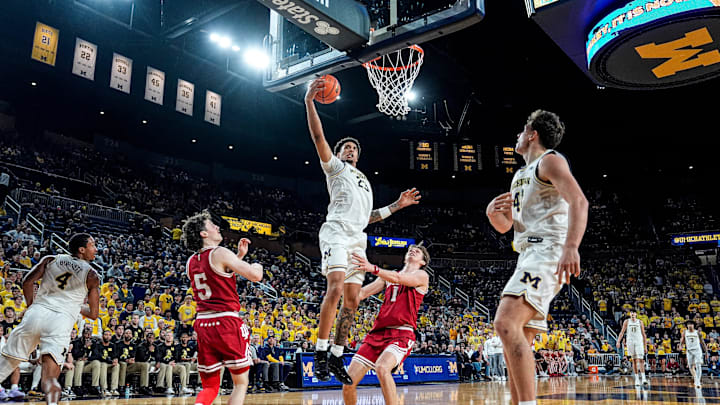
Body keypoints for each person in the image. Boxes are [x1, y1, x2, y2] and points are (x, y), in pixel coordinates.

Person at [304, 78, 422, 384]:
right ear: (340, 153)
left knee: (353, 301)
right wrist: (309, 103)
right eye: (346, 147)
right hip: (336, 233)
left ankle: (336, 355)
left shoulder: (365, 182)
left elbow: (366, 218)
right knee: (335, 286)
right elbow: (318, 136)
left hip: (357, 238)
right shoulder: (335, 168)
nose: (351, 150)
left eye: (354, 148)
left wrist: (396, 205)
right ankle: (319, 351)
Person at [486, 110, 588, 405]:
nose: (518, 135)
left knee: (505, 323)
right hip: (527, 252)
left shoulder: (550, 160)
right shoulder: (520, 175)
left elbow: (579, 201)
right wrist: (493, 214)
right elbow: (507, 227)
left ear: (532, 133)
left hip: (548, 251)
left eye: (522, 130)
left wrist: (571, 246)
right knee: (514, 340)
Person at [0, 233, 100, 405]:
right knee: (50, 378)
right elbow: (93, 314)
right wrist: (75, 306)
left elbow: (27, 282)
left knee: (6, 364)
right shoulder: (92, 275)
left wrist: (32, 306)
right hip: (60, 321)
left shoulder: (50, 259)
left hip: (37, 313)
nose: (96, 249)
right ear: (81, 250)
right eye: (92, 245)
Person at [182, 210, 264, 405]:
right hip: (226, 321)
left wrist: (238, 256)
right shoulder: (220, 253)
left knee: (210, 387)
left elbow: (217, 275)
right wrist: (257, 265)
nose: (217, 227)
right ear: (203, 233)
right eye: (212, 225)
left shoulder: (190, 262)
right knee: (241, 383)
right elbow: (255, 276)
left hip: (203, 323)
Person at [342, 244, 430, 405]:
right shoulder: (388, 277)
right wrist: (343, 285)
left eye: (418, 251)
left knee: (382, 368)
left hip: (401, 333)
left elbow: (398, 279)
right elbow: (361, 294)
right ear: (404, 258)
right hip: (377, 334)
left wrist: (372, 268)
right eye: (410, 249)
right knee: (348, 383)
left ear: (423, 262)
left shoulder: (422, 275)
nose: (413, 250)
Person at [616, 310, 648, 387]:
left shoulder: (640, 322)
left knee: (641, 360)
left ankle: (643, 378)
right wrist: (618, 341)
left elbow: (644, 334)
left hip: (639, 342)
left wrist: (645, 346)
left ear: (636, 314)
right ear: (630, 314)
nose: (632, 314)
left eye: (634, 313)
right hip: (630, 342)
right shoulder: (626, 322)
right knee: (634, 360)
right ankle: (637, 379)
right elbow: (622, 332)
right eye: (631, 313)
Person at [681, 321, 708, 389]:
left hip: (697, 350)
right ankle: (695, 377)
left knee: (698, 364)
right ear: (687, 325)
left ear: (693, 325)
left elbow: (702, 342)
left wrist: (706, 352)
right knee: (690, 366)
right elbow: (682, 340)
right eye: (688, 324)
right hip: (689, 351)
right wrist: (680, 345)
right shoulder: (685, 332)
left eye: (691, 324)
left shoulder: (697, 332)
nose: (690, 325)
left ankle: (697, 381)